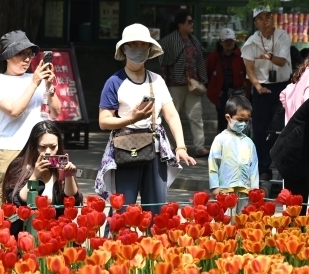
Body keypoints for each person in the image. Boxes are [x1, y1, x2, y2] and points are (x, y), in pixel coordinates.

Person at [95, 23, 196, 213]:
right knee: (124, 211)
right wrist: (130, 120)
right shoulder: (114, 82)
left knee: (156, 210)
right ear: (124, 49)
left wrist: (180, 146)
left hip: (155, 150)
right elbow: (104, 120)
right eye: (133, 45)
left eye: (143, 45)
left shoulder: (157, 80)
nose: (139, 50)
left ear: (150, 50)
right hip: (125, 150)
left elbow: (171, 114)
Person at [0, 31, 59, 207]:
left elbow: (56, 112)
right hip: (9, 149)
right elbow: (14, 110)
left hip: (38, 150)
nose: (27, 59)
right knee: (5, 206)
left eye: (29, 54)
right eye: (21, 54)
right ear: (7, 56)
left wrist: (49, 86)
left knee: (36, 203)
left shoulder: (36, 79)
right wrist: (35, 83)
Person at [3, 120, 81, 235]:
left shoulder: (60, 165)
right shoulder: (20, 166)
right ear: (34, 146)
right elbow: (16, 200)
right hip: (26, 233)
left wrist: (68, 175)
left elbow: (73, 200)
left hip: (56, 232)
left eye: (53, 146)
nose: (48, 152)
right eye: (43, 147)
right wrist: (35, 175)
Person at [241, 7, 292, 181]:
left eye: (268, 17)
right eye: (261, 18)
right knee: (260, 130)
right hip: (261, 87)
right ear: (256, 23)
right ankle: (263, 169)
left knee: (281, 128)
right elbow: (249, 68)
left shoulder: (282, 36)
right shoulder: (251, 41)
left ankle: (283, 167)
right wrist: (257, 86)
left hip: (281, 86)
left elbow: (282, 61)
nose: (266, 21)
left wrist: (269, 56)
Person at [158, 11, 209, 158]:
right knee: (171, 116)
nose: (192, 24)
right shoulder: (168, 41)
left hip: (192, 84)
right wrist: (163, 84)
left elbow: (199, 61)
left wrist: (199, 78)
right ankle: (170, 146)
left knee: (196, 115)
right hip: (175, 84)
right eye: (189, 22)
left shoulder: (194, 41)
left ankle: (200, 147)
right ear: (180, 25)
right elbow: (163, 64)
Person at [208, 95, 258, 213]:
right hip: (225, 190)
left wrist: (254, 189)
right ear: (228, 117)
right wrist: (215, 187)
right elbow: (213, 164)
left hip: (245, 190)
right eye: (240, 120)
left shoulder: (249, 142)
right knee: (226, 222)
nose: (244, 124)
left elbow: (254, 167)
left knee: (243, 220)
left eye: (246, 120)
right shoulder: (220, 140)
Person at [206, 29, 247, 137]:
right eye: (226, 41)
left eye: (231, 41)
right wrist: (214, 91)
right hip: (222, 94)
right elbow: (208, 74)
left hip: (238, 92)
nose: (229, 44)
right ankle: (223, 143)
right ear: (220, 42)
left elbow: (247, 73)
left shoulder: (241, 55)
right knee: (223, 119)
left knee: (239, 119)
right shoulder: (214, 57)